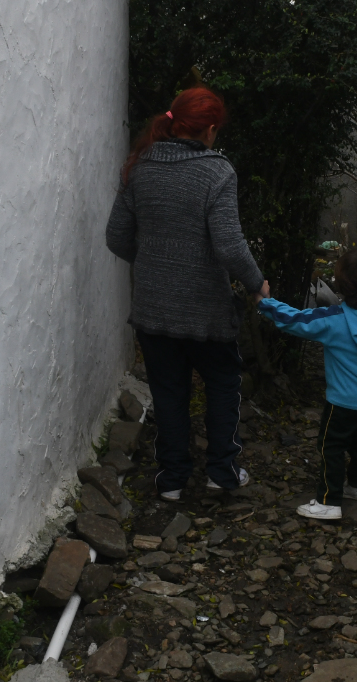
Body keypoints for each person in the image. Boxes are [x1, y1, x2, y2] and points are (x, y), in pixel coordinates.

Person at [105, 87, 267, 501]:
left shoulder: (140, 167)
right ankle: (222, 473)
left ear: (172, 121)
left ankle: (173, 480)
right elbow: (229, 245)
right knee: (222, 383)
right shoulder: (217, 172)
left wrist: (154, 263)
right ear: (210, 130)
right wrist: (256, 284)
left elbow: (117, 237)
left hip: (154, 309)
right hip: (206, 311)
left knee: (169, 390)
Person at [257, 248, 357, 520]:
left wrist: (265, 303)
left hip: (342, 403)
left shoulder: (334, 319)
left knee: (332, 446)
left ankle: (328, 500)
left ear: (342, 285)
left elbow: (296, 320)